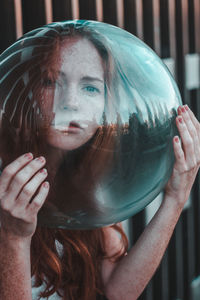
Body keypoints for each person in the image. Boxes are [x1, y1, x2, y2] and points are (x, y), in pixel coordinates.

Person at [0, 22, 200, 300]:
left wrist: (176, 198)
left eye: (90, 88)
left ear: (108, 104)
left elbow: (119, 292)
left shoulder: (85, 184)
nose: (70, 101)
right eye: (51, 81)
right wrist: (13, 237)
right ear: (31, 91)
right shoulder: (5, 186)